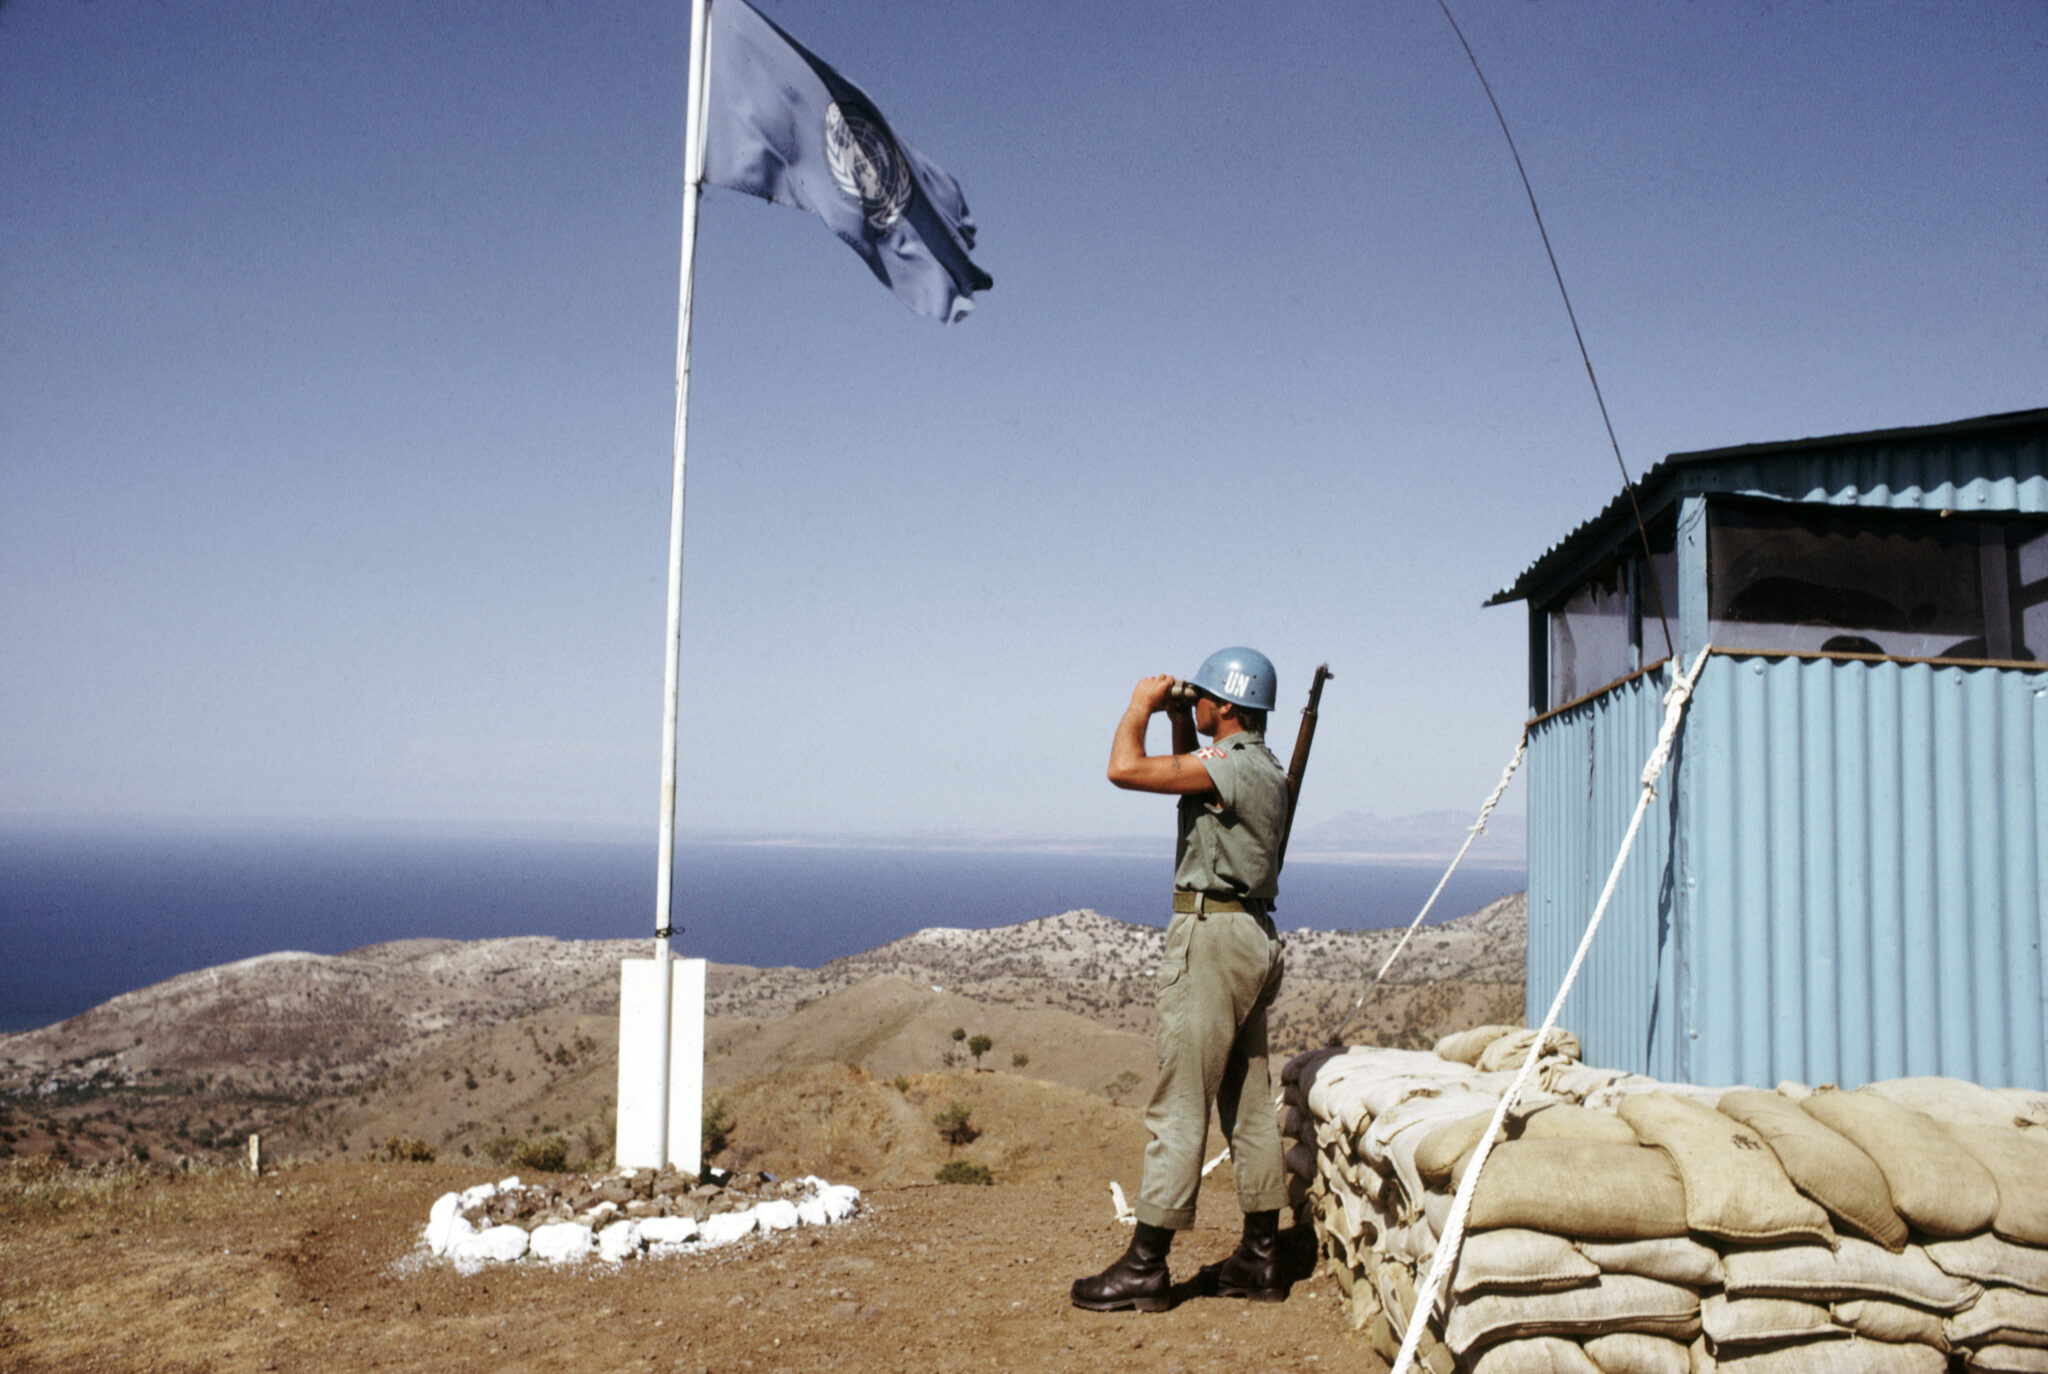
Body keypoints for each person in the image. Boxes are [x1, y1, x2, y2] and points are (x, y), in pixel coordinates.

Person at [1071, 647, 1292, 1313]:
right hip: (1250, 939)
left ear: (1225, 704)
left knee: (1180, 1103)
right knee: (1249, 1101)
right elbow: (1186, 777)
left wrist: (1140, 704)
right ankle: (1260, 1257)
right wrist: (1178, 715)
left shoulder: (1228, 766)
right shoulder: (1258, 766)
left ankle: (1146, 1266)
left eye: (1200, 699)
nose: (1191, 706)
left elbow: (1124, 769)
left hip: (1211, 941)